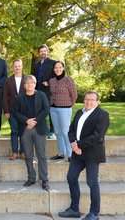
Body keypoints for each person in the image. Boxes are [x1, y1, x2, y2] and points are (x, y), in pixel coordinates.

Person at [58, 91, 110, 220]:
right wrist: (73, 144)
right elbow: (71, 130)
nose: (89, 102)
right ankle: (74, 209)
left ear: (98, 102)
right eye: (87, 99)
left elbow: (97, 136)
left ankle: (94, 213)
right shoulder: (80, 112)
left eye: (92, 100)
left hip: (92, 153)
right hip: (77, 153)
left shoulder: (102, 115)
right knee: (71, 177)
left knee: (92, 182)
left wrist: (78, 145)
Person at [14, 75, 50, 190]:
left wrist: (35, 121)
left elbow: (46, 109)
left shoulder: (42, 95)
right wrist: (26, 121)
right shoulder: (19, 98)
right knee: (28, 156)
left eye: (32, 83)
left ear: (35, 84)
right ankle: (31, 178)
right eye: (27, 83)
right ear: (24, 85)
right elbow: (16, 113)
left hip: (39, 128)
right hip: (25, 129)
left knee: (42, 155)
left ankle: (44, 179)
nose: (29, 85)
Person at [48, 61, 77, 162]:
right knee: (58, 132)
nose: (58, 69)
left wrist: (69, 104)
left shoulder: (68, 80)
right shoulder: (51, 80)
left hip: (65, 109)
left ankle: (70, 155)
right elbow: (51, 93)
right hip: (53, 109)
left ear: (63, 68)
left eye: (60, 67)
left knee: (65, 132)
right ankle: (61, 153)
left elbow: (74, 94)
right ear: (53, 69)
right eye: (56, 67)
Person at [31, 44, 56, 138]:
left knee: (50, 111)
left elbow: (57, 76)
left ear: (47, 52)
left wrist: (49, 82)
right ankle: (42, 130)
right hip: (38, 91)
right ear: (39, 53)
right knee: (40, 112)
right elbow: (33, 77)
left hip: (48, 91)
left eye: (44, 51)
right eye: (41, 51)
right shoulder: (36, 65)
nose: (43, 53)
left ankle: (52, 131)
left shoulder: (53, 63)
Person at [3, 59, 26, 160]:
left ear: (22, 67)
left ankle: (23, 152)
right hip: (12, 110)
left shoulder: (27, 79)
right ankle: (15, 152)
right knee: (14, 131)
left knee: (23, 132)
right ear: (13, 67)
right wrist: (6, 111)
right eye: (15, 66)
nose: (17, 68)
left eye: (19, 66)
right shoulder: (8, 80)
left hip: (24, 110)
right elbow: (4, 96)